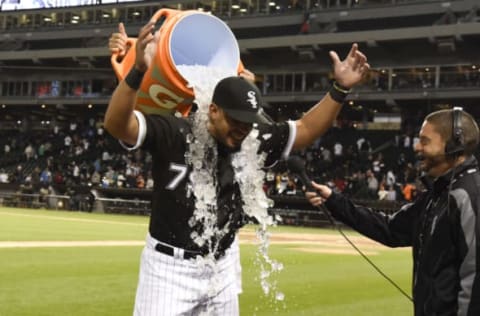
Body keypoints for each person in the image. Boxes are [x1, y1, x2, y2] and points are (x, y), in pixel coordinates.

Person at [104, 18, 369, 315]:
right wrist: (138, 71)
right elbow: (117, 125)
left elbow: (306, 129)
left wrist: (339, 90)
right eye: (236, 120)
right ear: (213, 110)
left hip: (222, 265)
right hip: (169, 268)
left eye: (249, 122)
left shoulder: (253, 138)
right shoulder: (175, 132)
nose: (244, 129)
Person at [306, 108, 480, 316]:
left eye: (425, 141)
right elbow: (390, 229)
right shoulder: (437, 195)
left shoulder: (469, 195)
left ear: (454, 146)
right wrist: (333, 200)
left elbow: (475, 277)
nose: (417, 147)